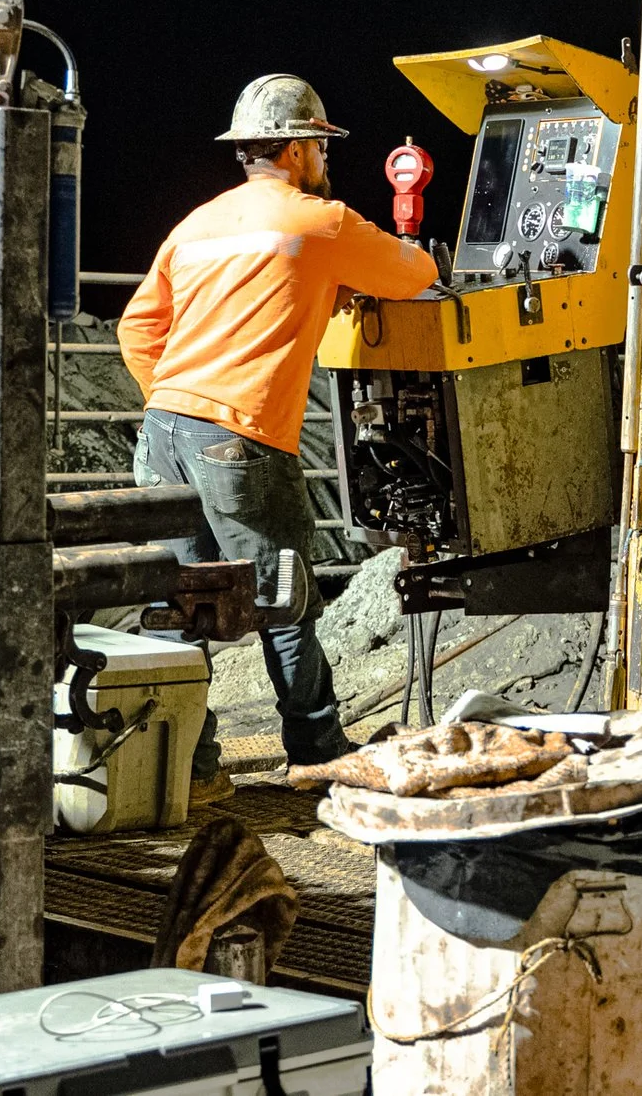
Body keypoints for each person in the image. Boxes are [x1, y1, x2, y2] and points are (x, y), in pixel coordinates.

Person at [120, 75, 439, 801]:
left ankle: (187, 770)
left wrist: (177, 400)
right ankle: (317, 752)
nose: (326, 158)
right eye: (321, 145)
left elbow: (137, 329)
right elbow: (411, 272)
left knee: (181, 604)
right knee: (284, 597)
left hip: (163, 429)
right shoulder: (319, 220)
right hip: (240, 439)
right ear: (298, 149)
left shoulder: (197, 224)